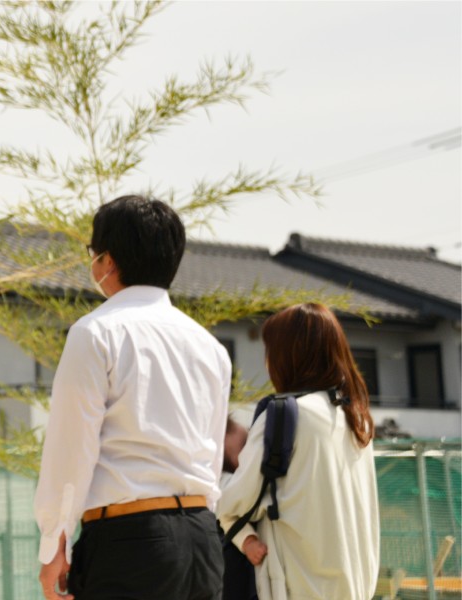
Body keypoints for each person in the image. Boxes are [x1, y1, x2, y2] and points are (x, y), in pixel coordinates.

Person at [35, 195, 231, 600]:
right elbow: (212, 459)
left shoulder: (95, 333)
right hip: (202, 537)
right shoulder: (210, 346)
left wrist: (55, 541)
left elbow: (72, 449)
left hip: (131, 539)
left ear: (106, 261)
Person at [217, 303, 379, 600]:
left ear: (287, 356)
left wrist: (245, 538)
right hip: (355, 587)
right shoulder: (357, 419)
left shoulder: (283, 415)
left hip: (297, 586)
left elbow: (231, 504)